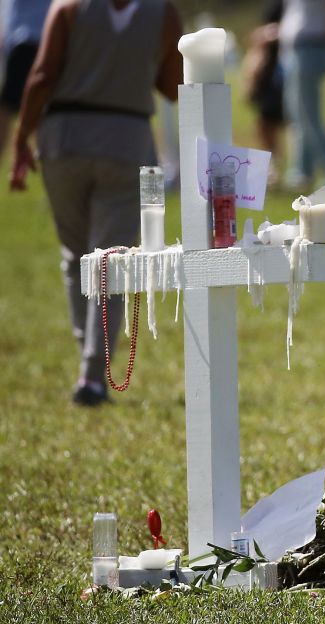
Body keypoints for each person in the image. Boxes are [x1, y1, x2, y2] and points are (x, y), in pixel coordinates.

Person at [9, 0, 183, 406]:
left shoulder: (69, 6)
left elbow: (42, 75)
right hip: (129, 142)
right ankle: (92, 372)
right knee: (112, 262)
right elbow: (172, 84)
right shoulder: (163, 12)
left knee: (76, 256)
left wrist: (21, 139)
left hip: (65, 140)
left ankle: (87, 356)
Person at [279, 0, 325, 192]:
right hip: (297, 47)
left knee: (310, 118)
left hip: (311, 46)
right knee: (297, 115)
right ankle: (301, 173)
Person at [0, 0, 51, 167]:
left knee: (8, 107)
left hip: (28, 38)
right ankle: (48, 163)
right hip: (42, 37)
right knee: (44, 110)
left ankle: (46, 162)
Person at [242, 0, 285, 184]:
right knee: (265, 123)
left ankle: (290, 168)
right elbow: (258, 34)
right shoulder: (277, 6)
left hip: (284, 72)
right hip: (270, 72)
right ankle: (273, 167)